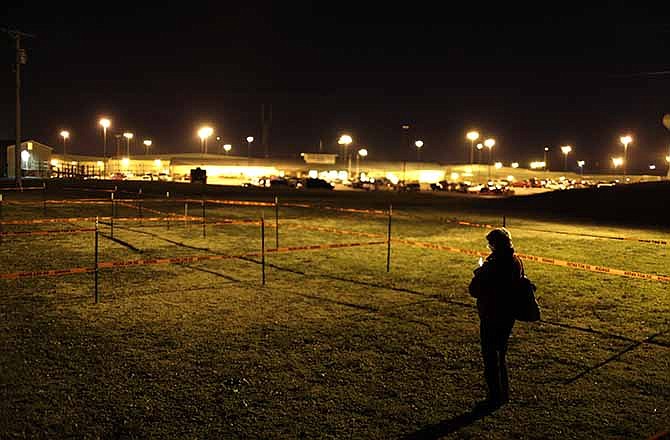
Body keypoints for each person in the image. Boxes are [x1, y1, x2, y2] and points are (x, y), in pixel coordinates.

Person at [468, 227, 523, 409]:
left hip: (492, 313)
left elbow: (474, 289)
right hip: (508, 314)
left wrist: (480, 272)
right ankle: (503, 392)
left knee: (490, 355)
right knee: (500, 353)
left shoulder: (494, 264)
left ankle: (494, 395)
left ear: (494, 245)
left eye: (490, 244)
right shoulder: (516, 260)